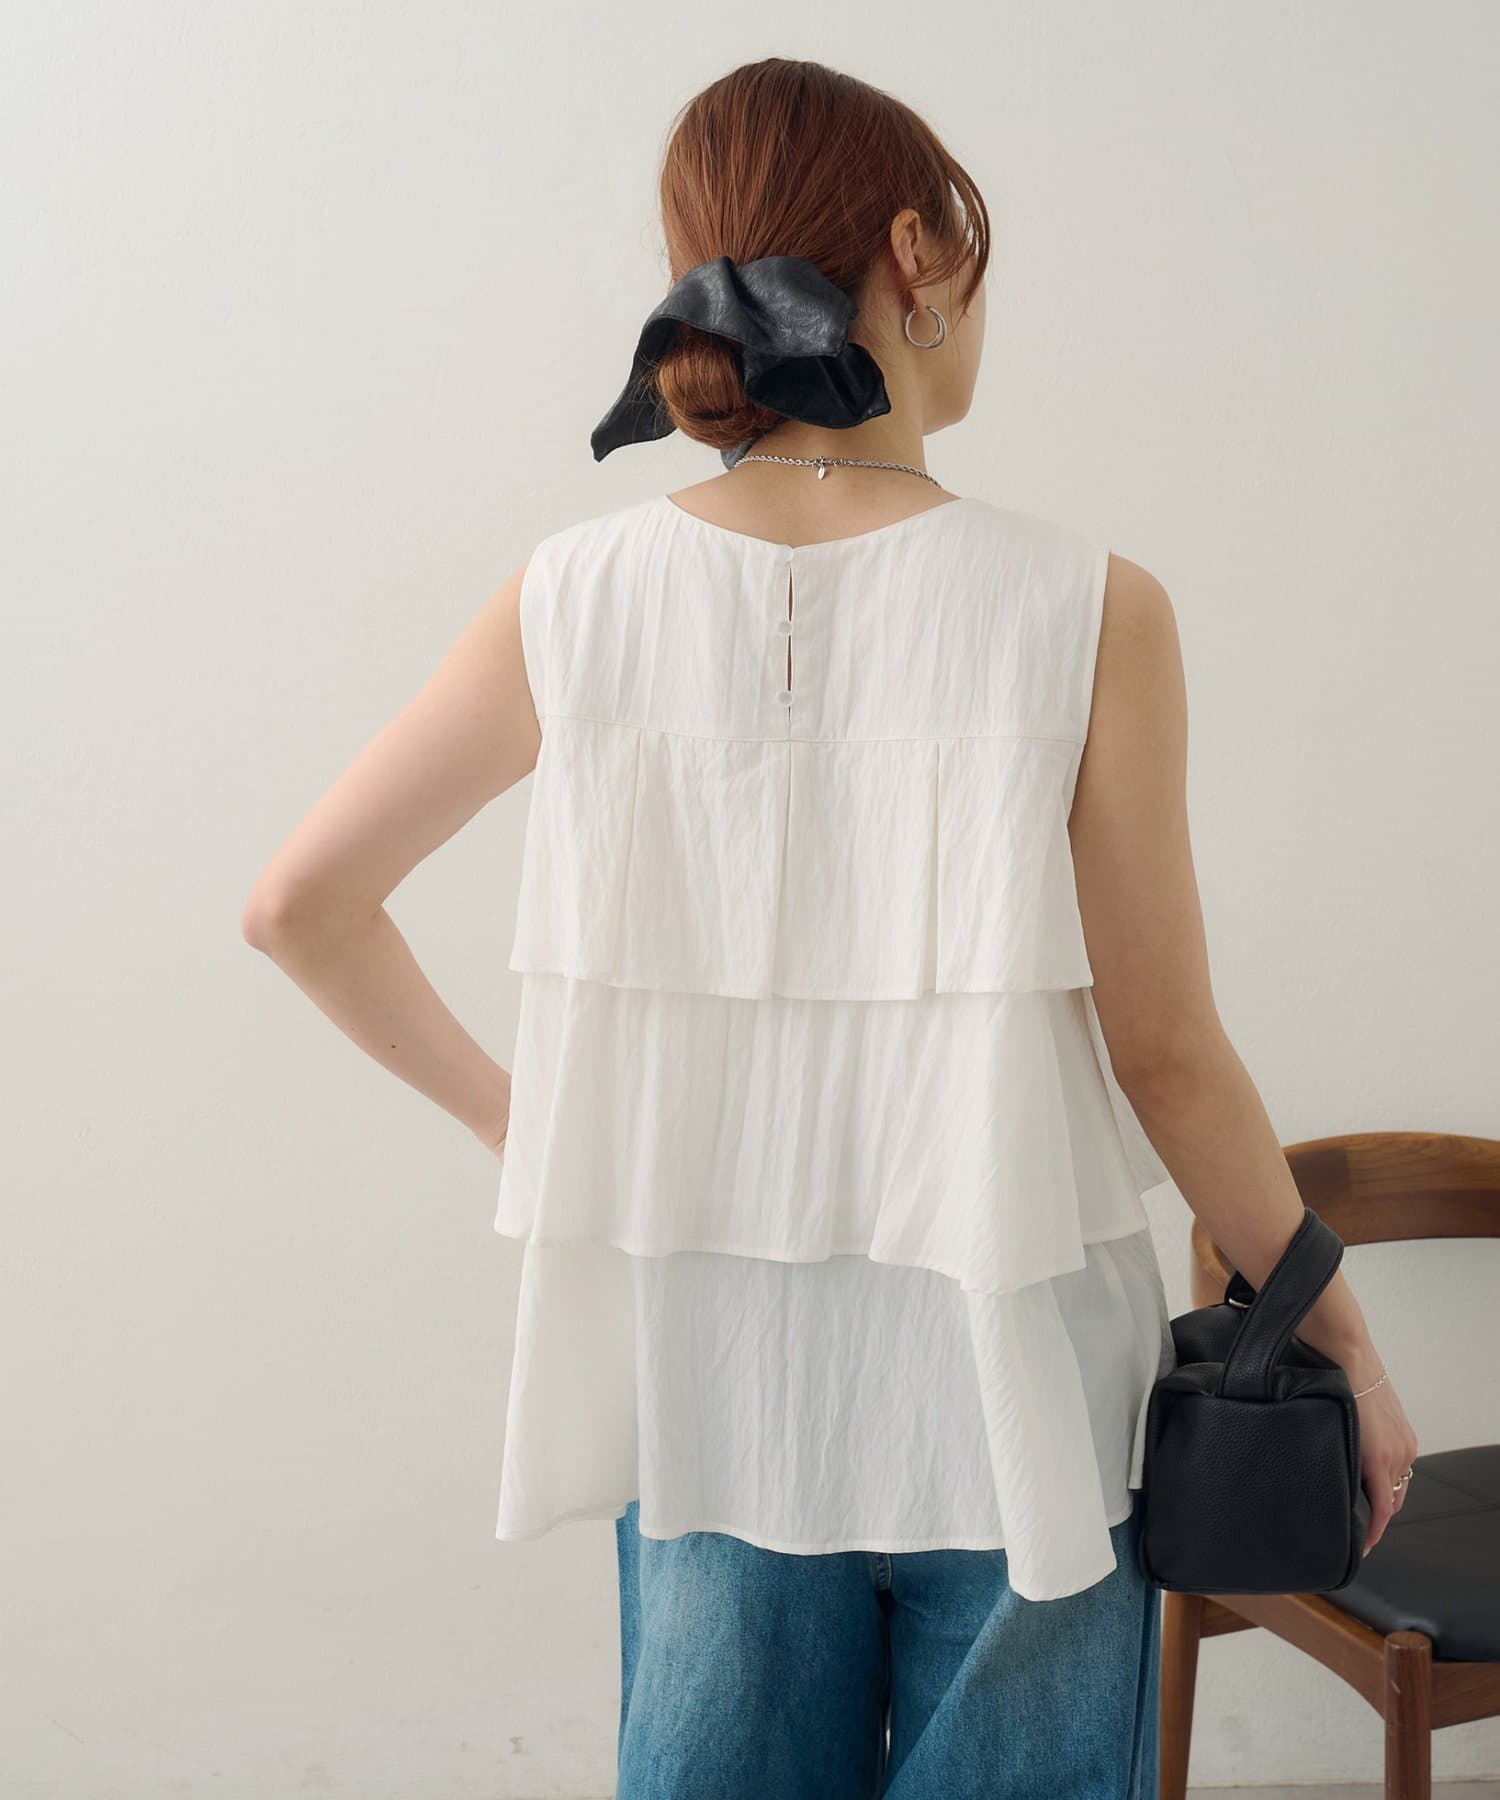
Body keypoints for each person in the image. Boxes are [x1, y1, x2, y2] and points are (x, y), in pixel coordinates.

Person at [241, 55, 1419, 1800]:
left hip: (713, 1394)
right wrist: (1335, 1325)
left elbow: (300, 907)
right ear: (918, 253)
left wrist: (540, 1134)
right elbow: (1165, 1054)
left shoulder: (572, 597)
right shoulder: (1090, 607)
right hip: (1020, 1398)